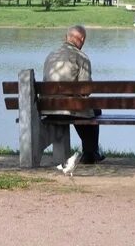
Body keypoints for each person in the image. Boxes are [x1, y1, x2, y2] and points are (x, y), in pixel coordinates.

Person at [43, 25, 104, 164]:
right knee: (92, 109)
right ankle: (90, 152)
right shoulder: (81, 57)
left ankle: (91, 152)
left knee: (79, 108)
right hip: (70, 108)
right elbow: (86, 91)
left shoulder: (52, 55)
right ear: (81, 39)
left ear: (67, 37)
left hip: (49, 107)